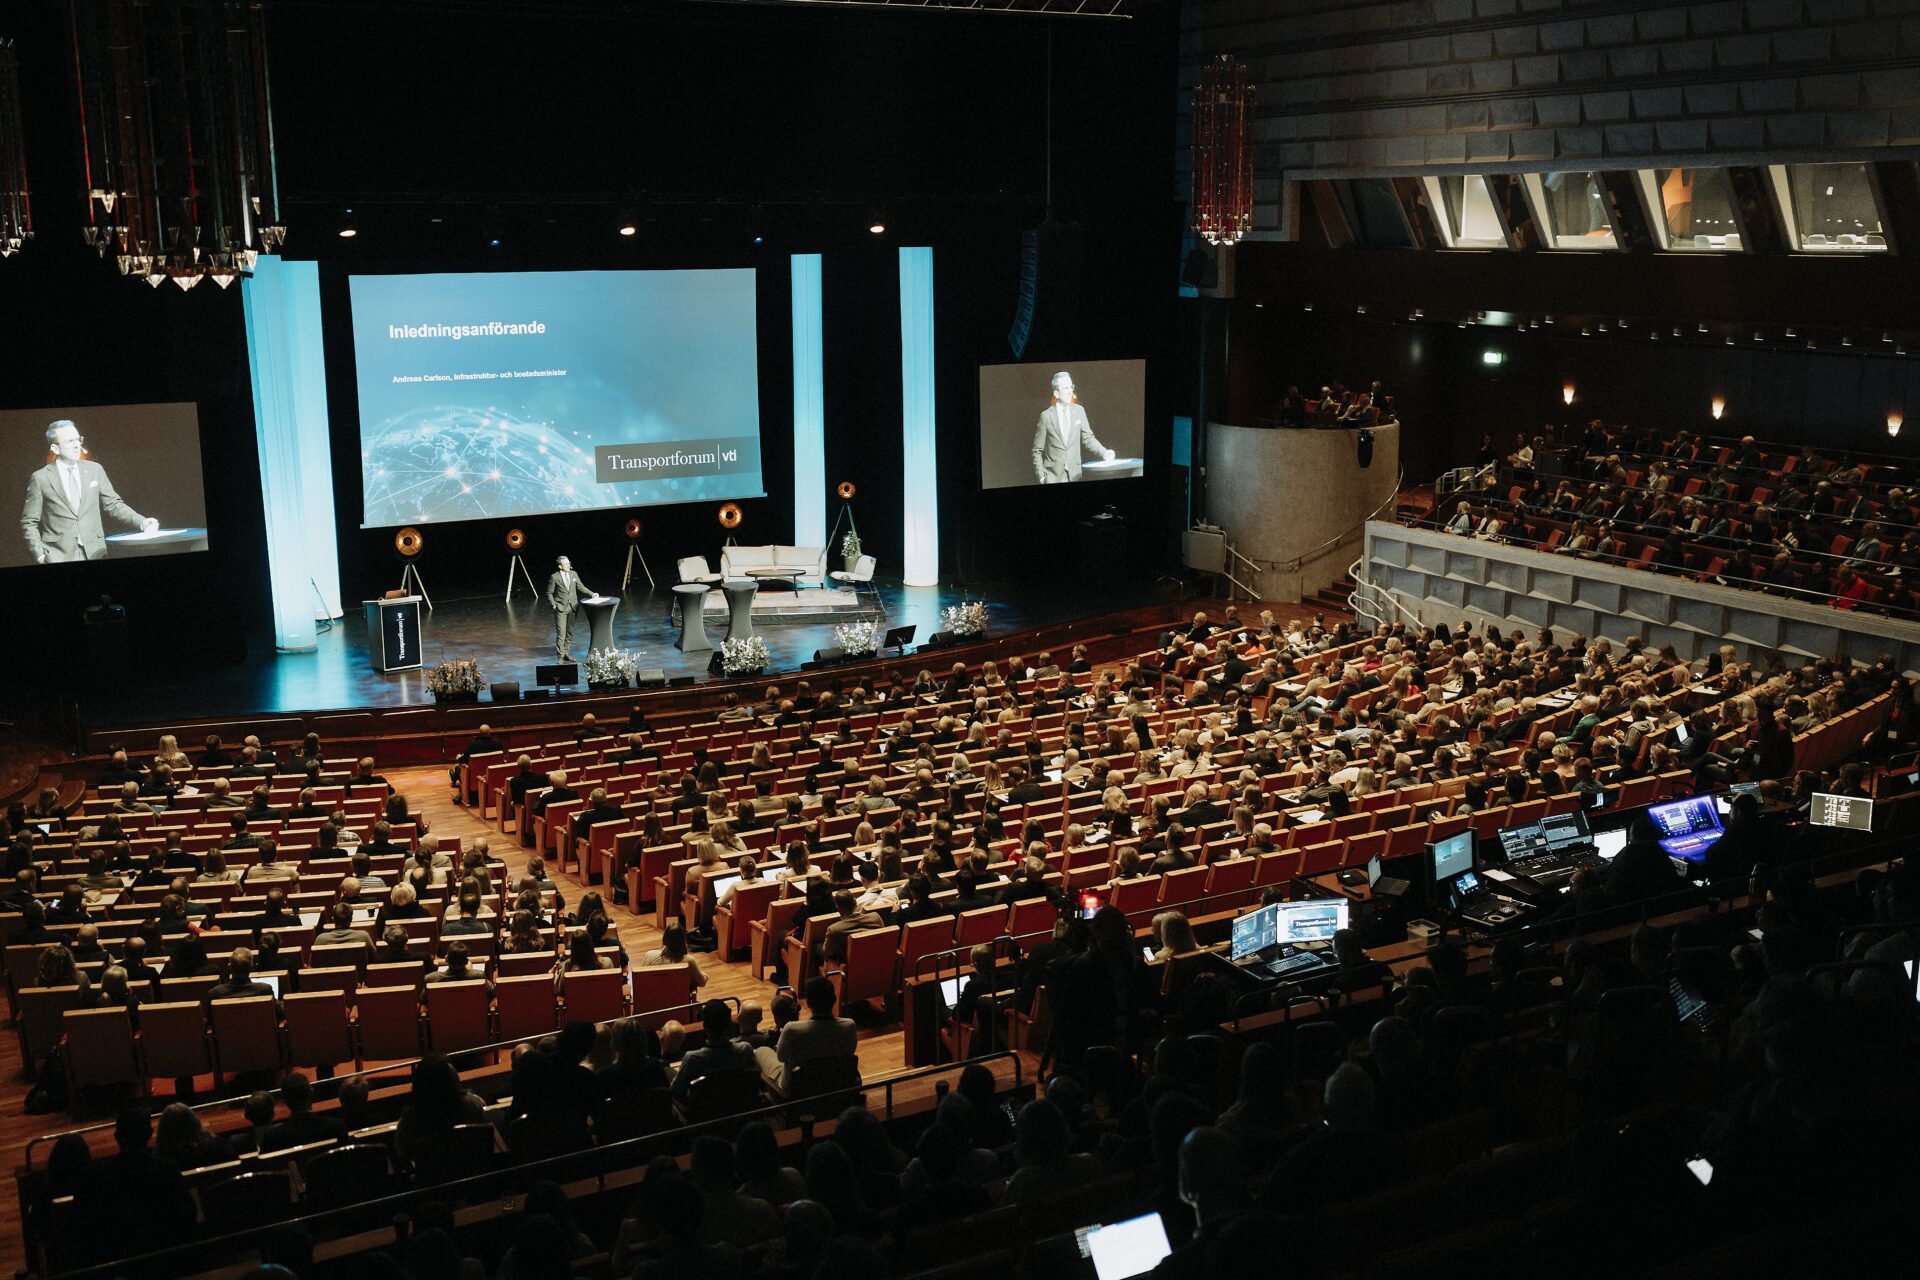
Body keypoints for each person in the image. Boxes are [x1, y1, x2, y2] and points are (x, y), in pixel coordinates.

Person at [20, 418, 160, 563]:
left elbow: (113, 504)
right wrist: (40, 555)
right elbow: (29, 521)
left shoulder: (95, 469)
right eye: (69, 441)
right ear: (55, 449)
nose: (77, 445)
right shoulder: (40, 478)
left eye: (78, 439)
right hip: (58, 555)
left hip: (95, 551)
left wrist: (142, 522)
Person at [756, 975, 857, 1093]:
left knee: (761, 1051)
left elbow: (781, 1057)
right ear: (834, 999)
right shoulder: (849, 1026)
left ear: (808, 1003)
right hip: (836, 1083)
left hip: (796, 1088)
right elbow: (848, 1052)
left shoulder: (791, 1029)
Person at [1030, 370, 1115, 484]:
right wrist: (1041, 476)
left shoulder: (1079, 411)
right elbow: (1037, 450)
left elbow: (1088, 438)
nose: (1070, 391)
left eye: (1071, 387)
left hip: (1075, 476)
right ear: (1056, 393)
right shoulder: (1046, 416)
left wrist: (1104, 452)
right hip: (1052, 478)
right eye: (1065, 388)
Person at [546, 554, 593, 660]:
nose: (568, 565)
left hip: (573, 607)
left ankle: (566, 653)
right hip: (561, 609)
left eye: (569, 563)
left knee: (569, 632)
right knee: (561, 633)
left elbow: (580, 587)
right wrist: (554, 604)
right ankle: (560, 656)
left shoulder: (573, 574)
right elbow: (549, 593)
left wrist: (591, 593)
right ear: (560, 566)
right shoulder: (555, 577)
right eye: (566, 564)